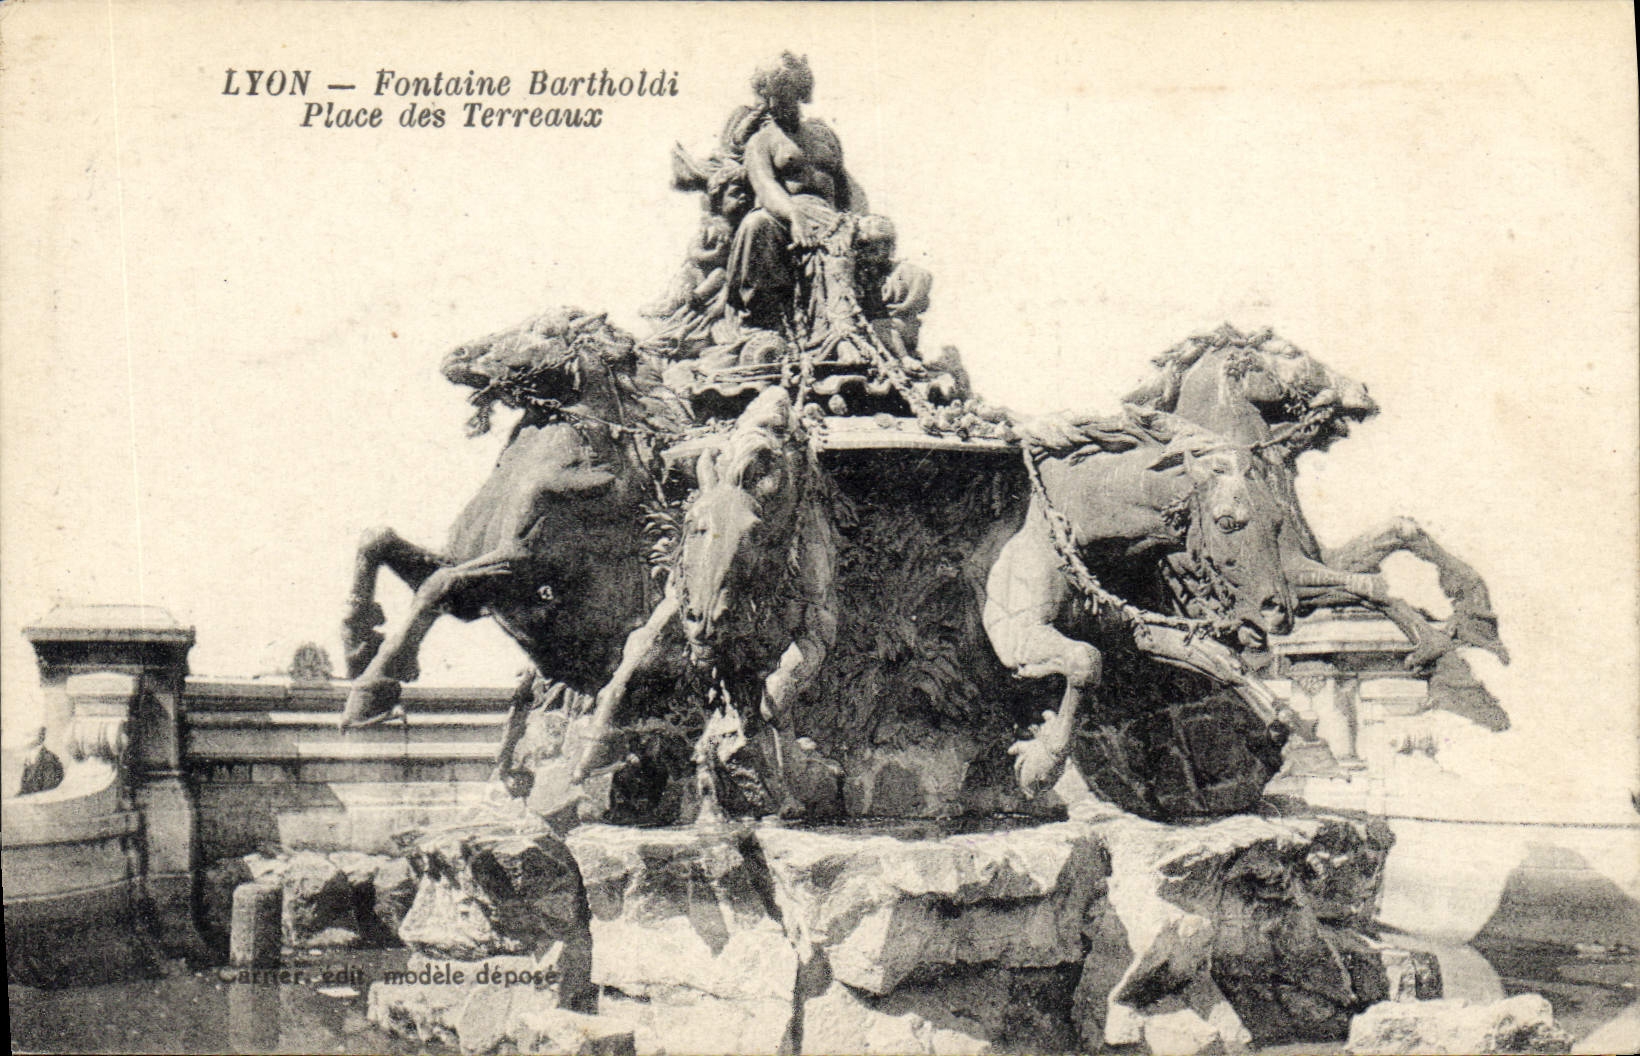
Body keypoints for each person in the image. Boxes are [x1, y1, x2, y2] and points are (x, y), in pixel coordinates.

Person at [725, 53, 867, 330]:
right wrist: (793, 216)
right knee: (756, 224)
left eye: (783, 92)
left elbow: (845, 183)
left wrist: (855, 220)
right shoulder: (762, 140)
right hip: (786, 211)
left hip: (830, 214)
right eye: (770, 94)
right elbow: (765, 185)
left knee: (877, 231)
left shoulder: (823, 134)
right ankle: (761, 320)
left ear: (801, 90)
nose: (774, 102)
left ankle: (844, 328)